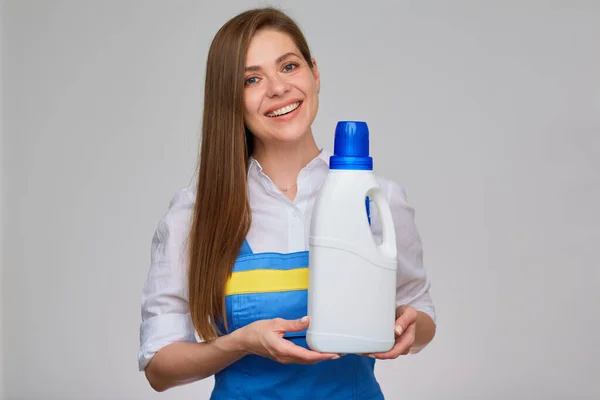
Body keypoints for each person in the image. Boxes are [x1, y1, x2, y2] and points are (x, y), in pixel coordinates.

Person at [138, 6, 436, 399]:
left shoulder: (379, 200)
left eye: (289, 67)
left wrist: (408, 326)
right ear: (231, 99)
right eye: (252, 79)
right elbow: (159, 367)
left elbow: (420, 314)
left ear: (315, 73)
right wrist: (240, 342)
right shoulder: (195, 214)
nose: (277, 88)